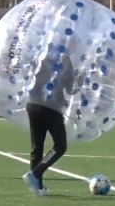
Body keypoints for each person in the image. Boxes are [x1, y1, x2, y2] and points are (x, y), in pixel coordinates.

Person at [22, 54, 77, 196]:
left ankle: (37, 187)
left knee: (37, 148)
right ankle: (35, 174)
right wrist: (79, 79)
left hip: (33, 105)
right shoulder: (65, 59)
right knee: (60, 146)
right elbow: (70, 89)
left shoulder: (41, 54)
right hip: (51, 108)